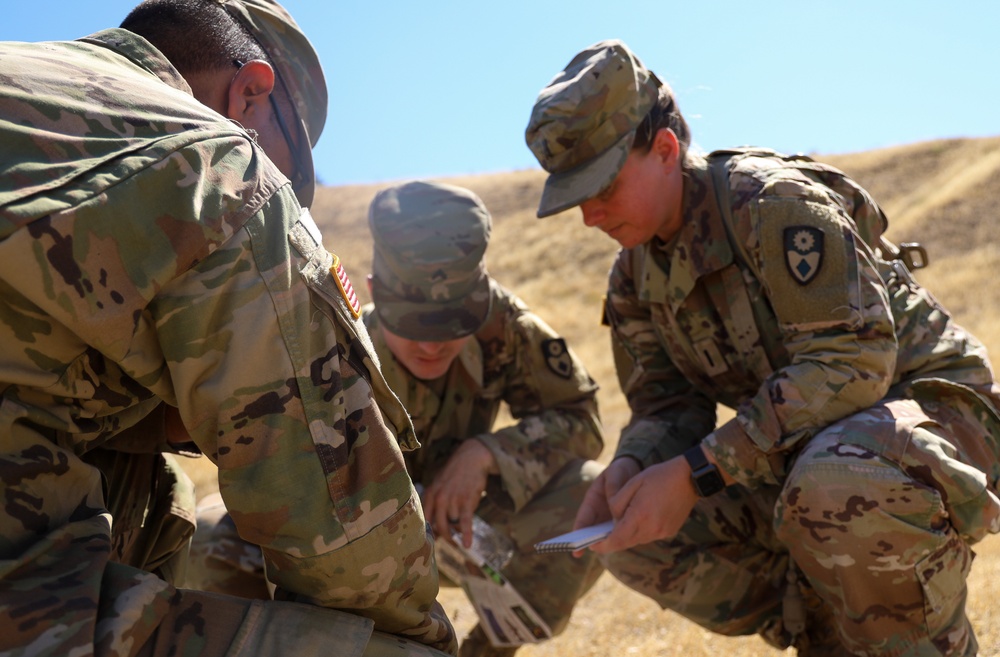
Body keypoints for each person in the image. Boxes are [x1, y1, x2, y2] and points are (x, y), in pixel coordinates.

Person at [0, 1, 457, 655]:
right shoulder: (217, 163)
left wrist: (153, 418)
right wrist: (421, 639)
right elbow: (348, 538)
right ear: (250, 92)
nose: (287, 189)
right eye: (293, 171)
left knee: (149, 485)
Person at [523, 39, 1000, 657]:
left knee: (833, 480)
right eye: (574, 198)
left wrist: (700, 471)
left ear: (665, 150)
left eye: (602, 188)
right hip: (808, 454)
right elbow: (667, 407)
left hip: (938, 421)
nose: (589, 216)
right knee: (635, 533)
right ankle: (829, 632)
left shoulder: (772, 204)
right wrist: (633, 468)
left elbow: (854, 363)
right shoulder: (633, 277)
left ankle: (915, 642)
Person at [185, 180, 607, 657]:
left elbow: (582, 420)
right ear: (372, 293)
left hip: (460, 528)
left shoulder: (502, 326)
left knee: (590, 496)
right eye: (414, 324)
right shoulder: (331, 343)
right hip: (346, 530)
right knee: (205, 538)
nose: (432, 345)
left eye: (450, 325)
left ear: (480, 298)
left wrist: (488, 453)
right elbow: (279, 479)